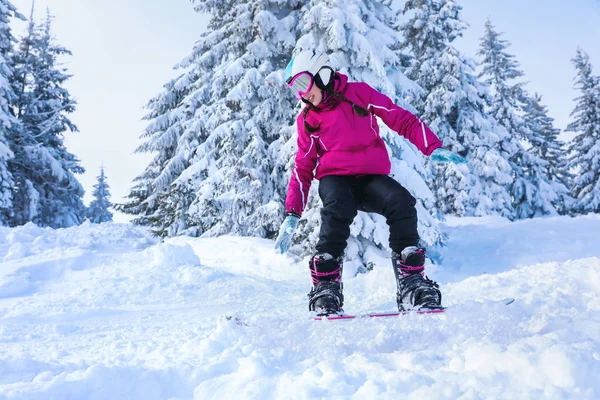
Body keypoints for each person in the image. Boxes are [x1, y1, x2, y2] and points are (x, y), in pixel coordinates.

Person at [274, 50, 467, 316]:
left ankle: (412, 285)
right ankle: (326, 289)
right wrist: (292, 214)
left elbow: (400, 118)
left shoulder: (359, 94)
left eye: (303, 84)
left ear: (322, 74)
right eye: (294, 89)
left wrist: (431, 147)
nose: (302, 94)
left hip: (369, 177)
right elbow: (302, 168)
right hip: (335, 178)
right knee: (337, 207)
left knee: (401, 202)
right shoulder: (308, 119)